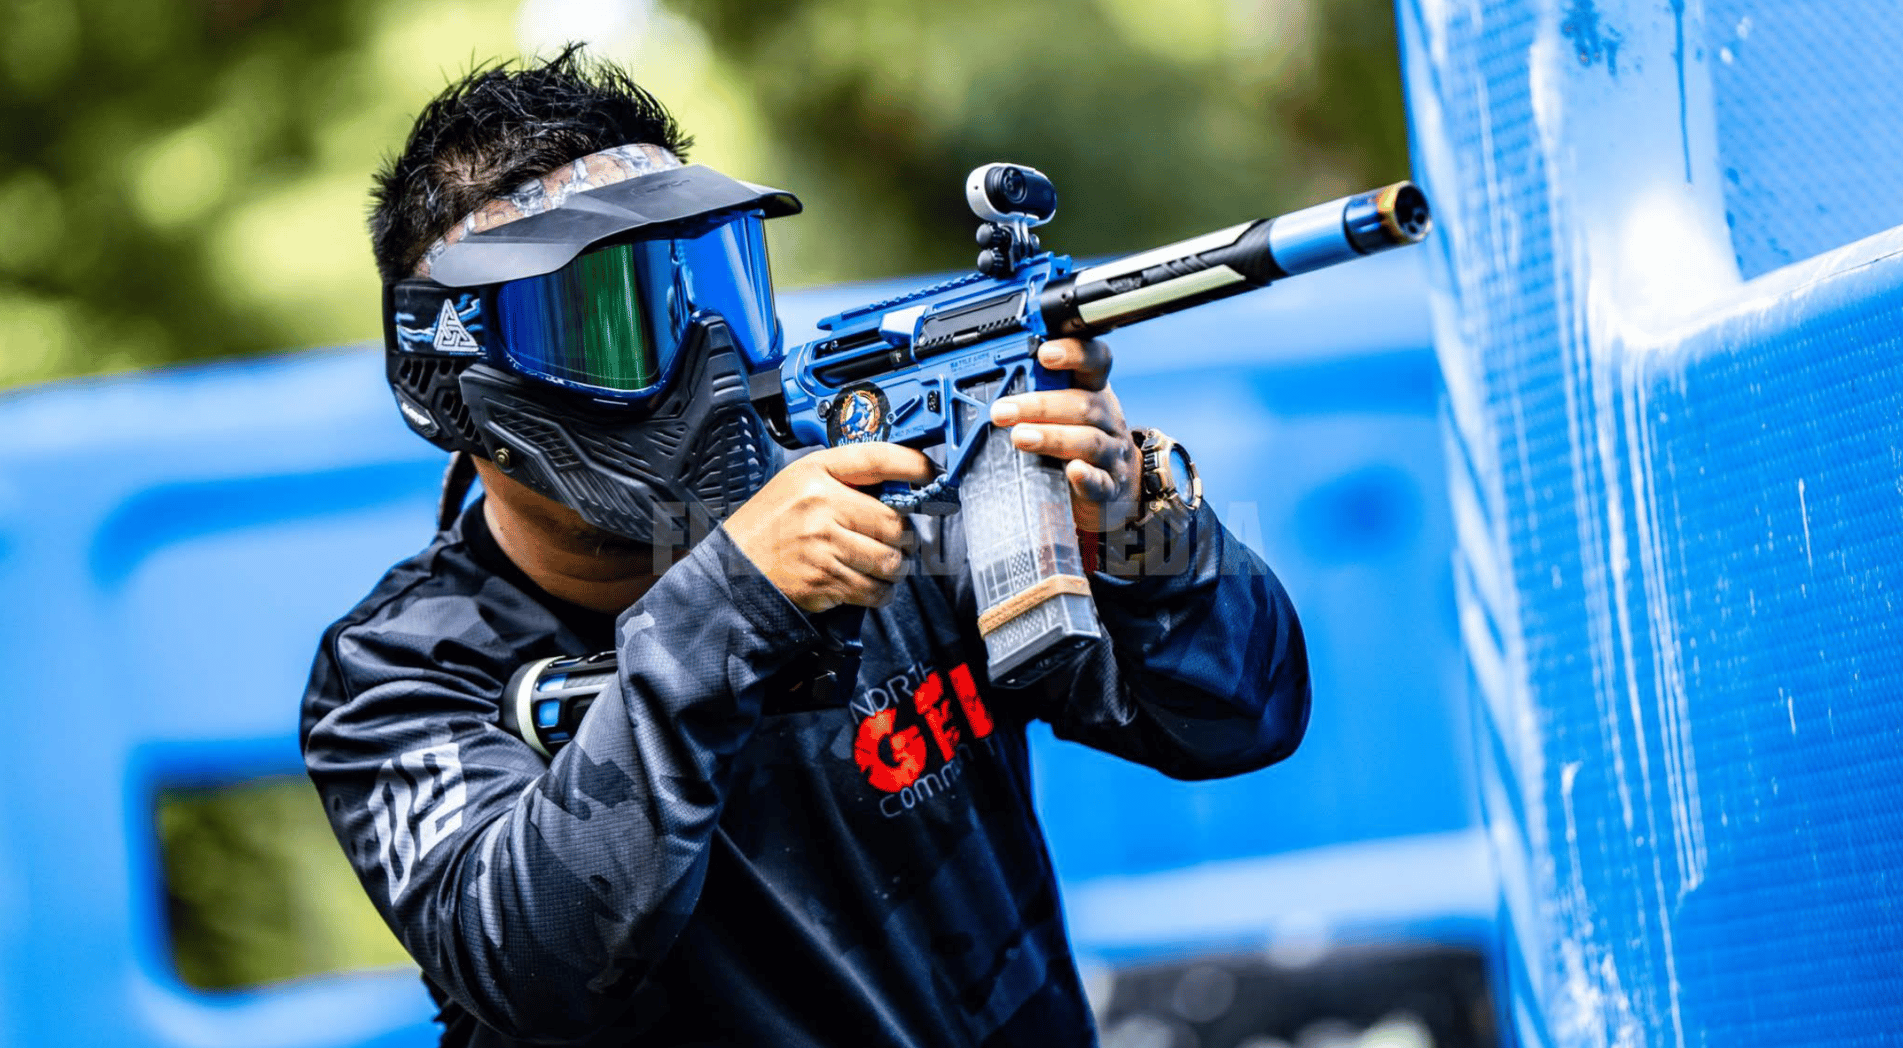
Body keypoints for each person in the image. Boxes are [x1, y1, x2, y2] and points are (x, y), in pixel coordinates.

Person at [301, 47, 1310, 1048]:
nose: (709, 358)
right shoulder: (400, 672)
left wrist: (1140, 526)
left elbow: (1243, 718)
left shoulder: (889, 496)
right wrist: (730, 602)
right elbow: (533, 960)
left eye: (715, 285)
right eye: (613, 321)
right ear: (450, 380)